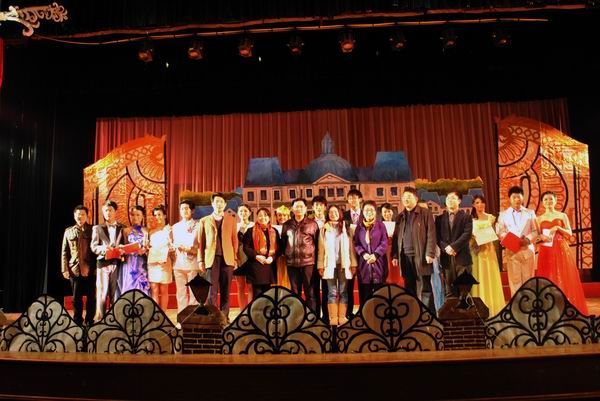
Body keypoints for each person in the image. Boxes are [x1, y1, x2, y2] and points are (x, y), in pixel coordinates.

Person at [535, 191, 588, 314]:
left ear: (555, 200)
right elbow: (537, 237)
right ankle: (549, 307)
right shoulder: (538, 219)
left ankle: (566, 305)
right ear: (542, 202)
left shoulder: (562, 215)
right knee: (548, 276)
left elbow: (569, 233)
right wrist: (541, 237)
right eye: (546, 199)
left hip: (560, 249)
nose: (548, 201)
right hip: (546, 250)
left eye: (551, 199)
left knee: (563, 276)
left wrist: (558, 228)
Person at [391, 187, 437, 314]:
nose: (406, 199)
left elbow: (431, 234)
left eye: (409, 197)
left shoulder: (425, 213)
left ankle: (428, 315)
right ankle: (412, 314)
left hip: (421, 256)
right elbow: (396, 237)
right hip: (405, 257)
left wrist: (430, 252)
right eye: (404, 197)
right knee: (409, 287)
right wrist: (394, 255)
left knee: (425, 288)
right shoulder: (400, 217)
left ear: (416, 199)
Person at [198, 193, 239, 321]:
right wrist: (200, 260)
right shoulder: (204, 220)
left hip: (228, 259)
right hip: (211, 259)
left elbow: (234, 240)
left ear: (225, 204)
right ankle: (212, 317)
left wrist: (235, 258)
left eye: (221, 202)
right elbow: (201, 242)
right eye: (217, 201)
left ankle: (224, 317)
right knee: (212, 290)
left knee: (226, 291)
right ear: (212, 204)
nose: (219, 204)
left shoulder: (231, 219)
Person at [318, 205, 357, 325]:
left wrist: (353, 264)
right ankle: (333, 318)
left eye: (335, 212)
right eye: (330, 212)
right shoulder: (324, 229)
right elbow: (321, 249)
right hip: (329, 265)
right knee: (332, 292)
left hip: (344, 265)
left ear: (339, 213)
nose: (333, 214)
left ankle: (342, 317)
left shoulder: (347, 227)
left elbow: (351, 248)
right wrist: (320, 265)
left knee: (343, 291)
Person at [497, 186, 538, 296]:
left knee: (528, 279)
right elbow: (500, 232)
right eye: (514, 197)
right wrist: (512, 241)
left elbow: (535, 231)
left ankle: (529, 302)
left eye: (519, 197)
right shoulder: (503, 214)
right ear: (509, 199)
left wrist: (527, 239)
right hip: (512, 251)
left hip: (527, 250)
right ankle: (516, 303)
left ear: (523, 198)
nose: (516, 199)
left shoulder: (530, 213)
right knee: (514, 280)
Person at [281, 198, 319, 311]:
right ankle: (297, 317)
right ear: (292, 209)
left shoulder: (312, 224)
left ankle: (312, 318)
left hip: (308, 263)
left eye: (301, 206)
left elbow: (317, 244)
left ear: (306, 209)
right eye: (296, 206)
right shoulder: (287, 225)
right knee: (294, 293)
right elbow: (283, 243)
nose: (299, 209)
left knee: (310, 293)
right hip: (292, 264)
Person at [469, 195, 505, 316]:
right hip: (477, 251)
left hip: (489, 251)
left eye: (482, 202)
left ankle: (493, 305)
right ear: (473, 205)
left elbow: (496, 233)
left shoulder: (491, 218)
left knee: (490, 275)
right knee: (478, 276)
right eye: (477, 202)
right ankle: (478, 307)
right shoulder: (471, 219)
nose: (480, 205)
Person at [61, 205, 96, 326]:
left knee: (91, 297)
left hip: (90, 268)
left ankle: (90, 320)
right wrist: (64, 269)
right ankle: (77, 320)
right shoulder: (68, 231)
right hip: (74, 269)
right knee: (76, 298)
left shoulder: (93, 230)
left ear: (87, 216)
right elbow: (64, 252)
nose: (80, 217)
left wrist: (96, 268)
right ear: (74, 216)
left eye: (82, 214)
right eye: (78, 214)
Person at [91, 199, 125, 321]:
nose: (108, 213)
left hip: (117, 263)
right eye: (105, 211)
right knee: (102, 293)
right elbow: (94, 246)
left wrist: (122, 249)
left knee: (115, 293)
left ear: (115, 212)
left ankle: (114, 319)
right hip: (103, 263)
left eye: (110, 210)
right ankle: (101, 319)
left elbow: (125, 245)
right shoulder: (97, 228)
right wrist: (104, 249)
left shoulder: (122, 228)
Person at [435, 191, 473, 297]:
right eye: (448, 198)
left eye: (453, 198)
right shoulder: (439, 219)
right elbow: (437, 237)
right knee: (449, 292)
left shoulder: (466, 217)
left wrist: (453, 247)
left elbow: (467, 235)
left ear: (459, 201)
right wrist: (446, 248)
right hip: (446, 259)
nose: (450, 200)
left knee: (464, 290)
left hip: (462, 258)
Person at [353, 201, 388, 305]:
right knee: (365, 295)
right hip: (364, 264)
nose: (369, 212)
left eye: (371, 210)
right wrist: (363, 254)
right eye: (366, 210)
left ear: (375, 212)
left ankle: (379, 312)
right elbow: (356, 244)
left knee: (379, 294)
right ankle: (365, 313)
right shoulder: (359, 227)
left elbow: (384, 242)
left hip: (378, 263)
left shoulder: (381, 225)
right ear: (363, 212)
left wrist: (376, 255)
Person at [242, 208, 279, 297]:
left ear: (269, 217)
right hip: (255, 266)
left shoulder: (274, 231)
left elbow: (279, 248)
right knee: (257, 294)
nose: (263, 218)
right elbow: (246, 247)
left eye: (265, 215)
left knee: (268, 294)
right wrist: (256, 256)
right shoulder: (250, 231)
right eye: (260, 216)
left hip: (269, 265)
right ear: (257, 217)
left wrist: (272, 258)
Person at [172, 199, 200, 312]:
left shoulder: (197, 225)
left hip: (192, 262)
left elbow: (200, 244)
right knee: (180, 291)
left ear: (192, 210)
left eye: (187, 208)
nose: (184, 211)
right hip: (178, 262)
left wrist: (190, 249)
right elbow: (173, 243)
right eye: (182, 209)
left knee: (194, 291)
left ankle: (193, 315)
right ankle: (182, 315)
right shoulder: (175, 227)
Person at [119, 205, 150, 296]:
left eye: (138, 215)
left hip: (142, 262)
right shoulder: (126, 231)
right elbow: (122, 246)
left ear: (142, 216)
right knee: (129, 284)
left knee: (142, 285)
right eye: (133, 215)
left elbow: (148, 246)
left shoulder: (146, 231)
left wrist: (145, 250)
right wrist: (122, 249)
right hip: (129, 261)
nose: (135, 217)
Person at [148, 204, 173, 311]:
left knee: (163, 289)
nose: (157, 217)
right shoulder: (151, 231)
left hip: (164, 262)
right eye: (155, 215)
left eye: (159, 214)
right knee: (154, 289)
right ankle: (156, 314)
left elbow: (173, 246)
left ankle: (164, 315)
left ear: (165, 215)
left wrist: (166, 253)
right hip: (153, 263)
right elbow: (149, 247)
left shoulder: (170, 229)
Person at [343, 189, 363, 318]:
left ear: (360, 199)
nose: (353, 200)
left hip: (364, 254)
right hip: (349, 254)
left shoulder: (367, 214)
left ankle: (364, 310)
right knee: (348, 284)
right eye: (350, 198)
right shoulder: (344, 215)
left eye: (355, 198)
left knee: (363, 284)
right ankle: (348, 312)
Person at [311, 195, 328, 322]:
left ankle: (326, 316)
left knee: (327, 288)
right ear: (312, 207)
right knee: (314, 288)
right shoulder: (308, 222)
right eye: (316, 205)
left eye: (321, 205)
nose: (318, 207)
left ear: (325, 207)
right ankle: (315, 316)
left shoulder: (330, 221)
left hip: (327, 260)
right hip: (312, 259)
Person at [234, 204, 253, 310]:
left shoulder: (254, 226)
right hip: (239, 259)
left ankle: (250, 311)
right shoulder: (235, 226)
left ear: (250, 213)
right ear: (238, 213)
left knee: (251, 287)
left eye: (245, 211)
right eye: (241, 211)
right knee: (240, 287)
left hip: (251, 259)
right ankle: (242, 311)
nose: (243, 213)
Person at [381, 203, 403, 287]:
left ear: (392, 212)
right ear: (381, 213)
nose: (387, 214)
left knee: (396, 272)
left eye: (389, 211)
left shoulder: (397, 224)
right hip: (383, 252)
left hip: (395, 251)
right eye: (385, 212)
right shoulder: (379, 225)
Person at [274, 205, 291, 289]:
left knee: (288, 280)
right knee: (276, 280)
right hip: (276, 258)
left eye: (284, 215)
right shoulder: (273, 228)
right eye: (279, 215)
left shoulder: (292, 228)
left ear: (288, 216)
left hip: (289, 258)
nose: (282, 217)